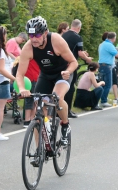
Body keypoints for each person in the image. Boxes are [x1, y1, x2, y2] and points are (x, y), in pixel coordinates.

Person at [16, 16, 78, 145]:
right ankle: (40, 151)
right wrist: (22, 89)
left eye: (37, 35)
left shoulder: (56, 40)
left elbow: (73, 62)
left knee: (56, 98)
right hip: (45, 75)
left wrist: (68, 72)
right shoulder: (28, 48)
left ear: (45, 33)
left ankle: (65, 124)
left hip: (63, 73)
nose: (33, 39)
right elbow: (20, 74)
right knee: (39, 113)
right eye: (31, 35)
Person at [62, 19, 93, 118]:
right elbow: (80, 53)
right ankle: (68, 111)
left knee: (61, 86)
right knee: (70, 87)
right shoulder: (78, 37)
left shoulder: (64, 35)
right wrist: (87, 59)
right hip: (71, 64)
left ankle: (60, 110)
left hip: (60, 63)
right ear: (79, 28)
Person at [12, 57, 40, 127]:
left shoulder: (27, 56)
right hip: (33, 78)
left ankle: (29, 120)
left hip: (30, 78)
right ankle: (30, 119)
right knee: (34, 99)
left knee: (31, 99)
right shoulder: (33, 55)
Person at [98, 32, 118, 107]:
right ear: (113, 38)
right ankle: (104, 100)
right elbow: (117, 55)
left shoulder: (103, 44)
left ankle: (102, 98)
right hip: (107, 66)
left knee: (102, 84)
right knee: (108, 84)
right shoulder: (109, 45)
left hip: (101, 65)